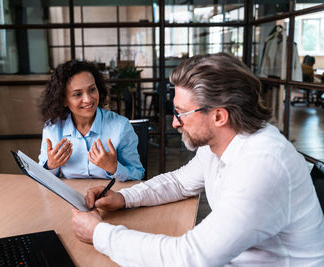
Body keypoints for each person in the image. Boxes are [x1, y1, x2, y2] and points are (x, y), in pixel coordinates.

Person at [71, 53, 324, 266]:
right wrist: (124, 198)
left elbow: (189, 257)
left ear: (218, 116)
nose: (173, 122)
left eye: (181, 113)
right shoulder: (221, 142)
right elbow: (180, 183)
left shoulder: (263, 166)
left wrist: (99, 234)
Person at [38, 60, 144, 181]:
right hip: (69, 198)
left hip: (109, 197)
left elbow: (138, 174)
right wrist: (50, 166)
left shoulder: (120, 126)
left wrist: (114, 168)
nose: (88, 99)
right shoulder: (52, 128)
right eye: (77, 94)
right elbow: (41, 177)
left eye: (92, 89)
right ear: (63, 100)